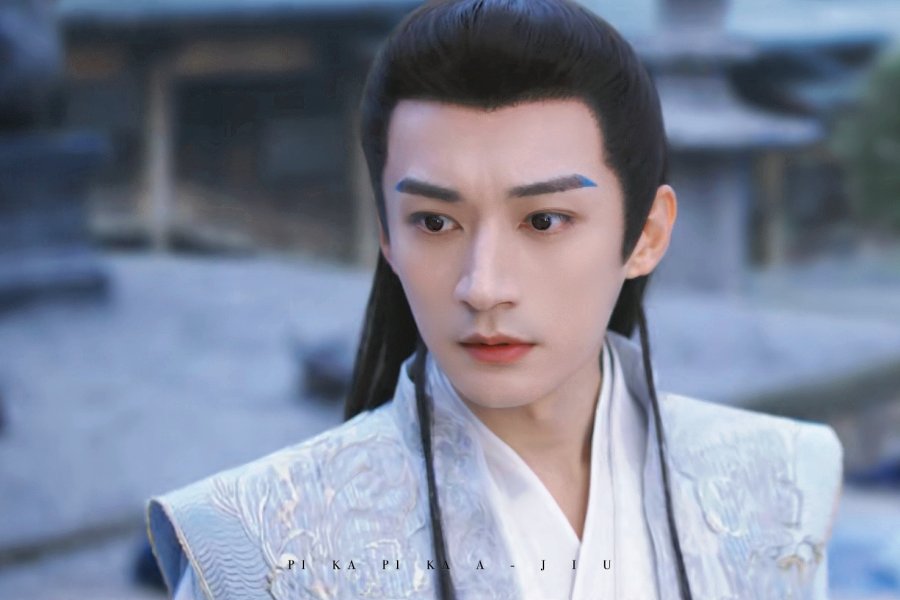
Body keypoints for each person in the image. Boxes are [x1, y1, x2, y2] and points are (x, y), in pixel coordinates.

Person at [145, 1, 844, 598]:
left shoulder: (779, 479)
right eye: (434, 222)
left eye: (544, 220)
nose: (482, 286)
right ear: (387, 236)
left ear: (647, 235)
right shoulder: (253, 543)